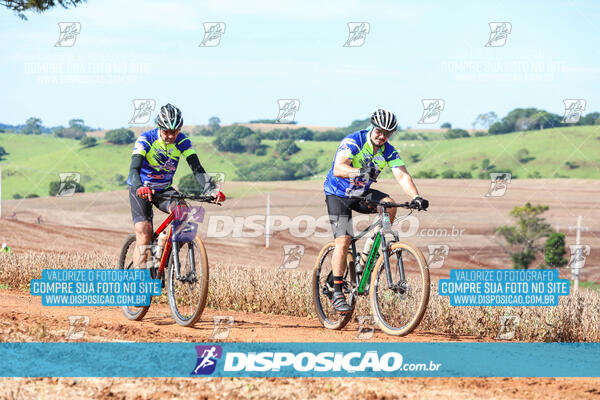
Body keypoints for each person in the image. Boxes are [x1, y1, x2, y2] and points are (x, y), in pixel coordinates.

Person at [323, 109, 429, 314]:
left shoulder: (388, 150)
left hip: (361, 193)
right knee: (343, 240)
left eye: (388, 133)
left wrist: (416, 197)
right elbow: (339, 168)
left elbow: (402, 175)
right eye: (380, 131)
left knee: (389, 205)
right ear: (372, 127)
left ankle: (364, 261)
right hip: (338, 194)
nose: (383, 136)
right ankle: (335, 290)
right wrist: (360, 171)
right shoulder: (353, 141)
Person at [127, 103, 225, 267]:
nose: (171, 136)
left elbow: (197, 168)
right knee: (144, 235)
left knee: (184, 214)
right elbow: (133, 169)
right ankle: (138, 283)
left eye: (175, 131)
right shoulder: (145, 140)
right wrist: (139, 187)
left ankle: (164, 251)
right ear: (159, 127)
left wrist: (212, 190)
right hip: (141, 188)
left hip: (164, 189)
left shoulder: (183, 141)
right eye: (166, 131)